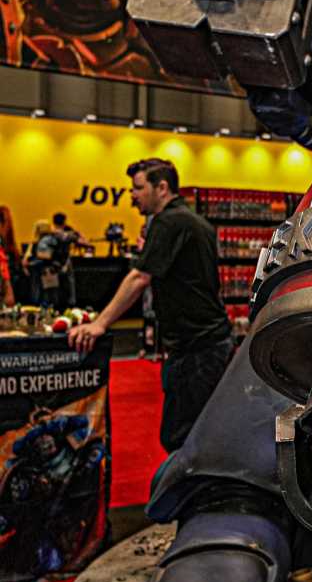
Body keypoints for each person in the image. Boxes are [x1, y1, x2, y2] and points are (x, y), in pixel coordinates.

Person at [68, 159, 231, 452]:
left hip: (196, 348)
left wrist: (99, 324)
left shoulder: (169, 221)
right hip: (207, 342)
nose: (132, 195)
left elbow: (139, 277)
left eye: (138, 188)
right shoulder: (194, 221)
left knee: (180, 438)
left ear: (162, 188)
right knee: (200, 433)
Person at [51, 212, 80, 306]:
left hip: (52, 261)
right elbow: (81, 241)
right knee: (69, 282)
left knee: (54, 285)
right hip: (65, 260)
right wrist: (75, 233)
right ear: (64, 221)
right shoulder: (67, 235)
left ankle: (55, 303)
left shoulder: (49, 233)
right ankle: (71, 303)